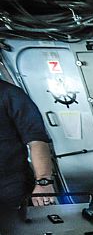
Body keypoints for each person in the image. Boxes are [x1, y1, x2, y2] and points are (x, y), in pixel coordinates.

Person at [0, 79, 55, 208]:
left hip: (11, 187)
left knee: (18, 225)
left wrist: (44, 181)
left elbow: (37, 140)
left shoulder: (10, 94)